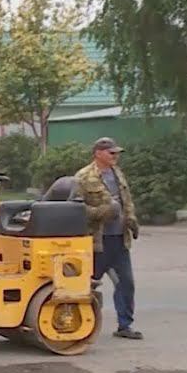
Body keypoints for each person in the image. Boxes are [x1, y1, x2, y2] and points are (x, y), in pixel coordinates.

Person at [75, 137, 141, 340]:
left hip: (119, 239)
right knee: (84, 285)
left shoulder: (117, 173)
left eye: (117, 153)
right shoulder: (83, 177)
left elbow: (126, 200)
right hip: (97, 241)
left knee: (126, 283)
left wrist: (131, 220)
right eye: (111, 153)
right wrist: (100, 212)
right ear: (98, 153)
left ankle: (124, 325)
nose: (116, 156)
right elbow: (75, 208)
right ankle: (76, 325)